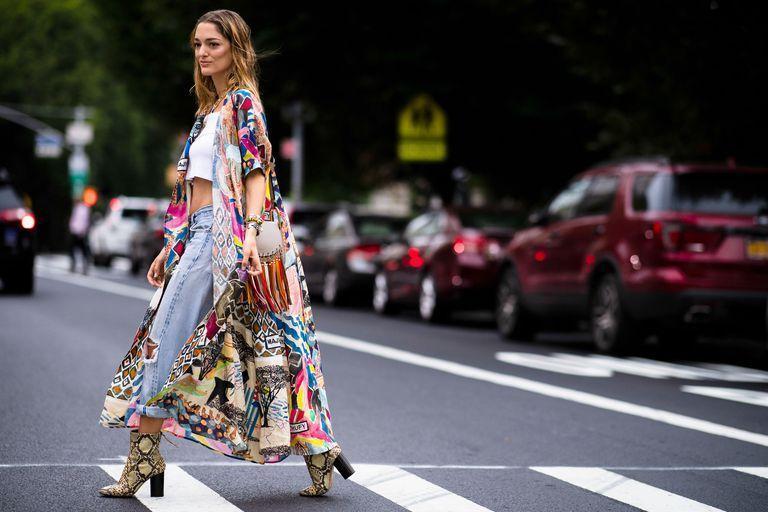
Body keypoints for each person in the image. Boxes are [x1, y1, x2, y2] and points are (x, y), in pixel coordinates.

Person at [98, 9, 353, 499]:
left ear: (236, 47)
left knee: (162, 341)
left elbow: (256, 175)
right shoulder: (206, 112)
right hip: (197, 237)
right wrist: (170, 249)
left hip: (227, 238)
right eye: (197, 45)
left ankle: (144, 455)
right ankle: (319, 449)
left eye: (212, 44)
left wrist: (251, 235)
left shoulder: (242, 105)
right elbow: (191, 190)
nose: (202, 53)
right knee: (268, 351)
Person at [68, 197, 91, 274]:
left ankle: (85, 267)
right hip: (75, 231)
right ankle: (73, 264)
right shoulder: (76, 208)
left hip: (81, 232)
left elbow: (85, 221)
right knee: (72, 248)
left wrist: (83, 230)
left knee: (83, 249)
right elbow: (73, 219)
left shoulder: (84, 209)